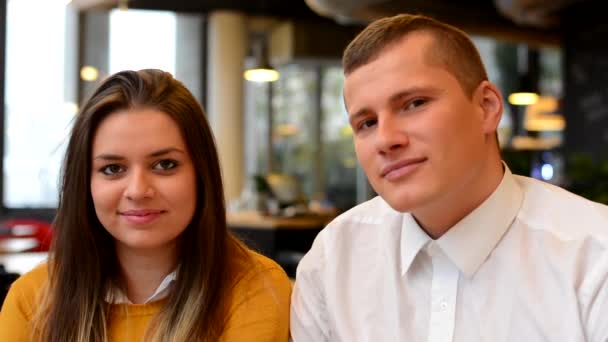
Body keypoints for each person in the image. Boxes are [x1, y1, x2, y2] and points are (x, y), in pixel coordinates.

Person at [290, 13, 608, 341]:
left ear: (486, 107)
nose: (386, 139)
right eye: (367, 123)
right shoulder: (332, 262)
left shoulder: (595, 259)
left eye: (414, 103)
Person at [0, 69, 292, 341]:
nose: (138, 191)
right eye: (112, 169)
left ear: (201, 174)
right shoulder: (31, 300)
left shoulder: (255, 289)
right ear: (84, 184)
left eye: (165, 164)